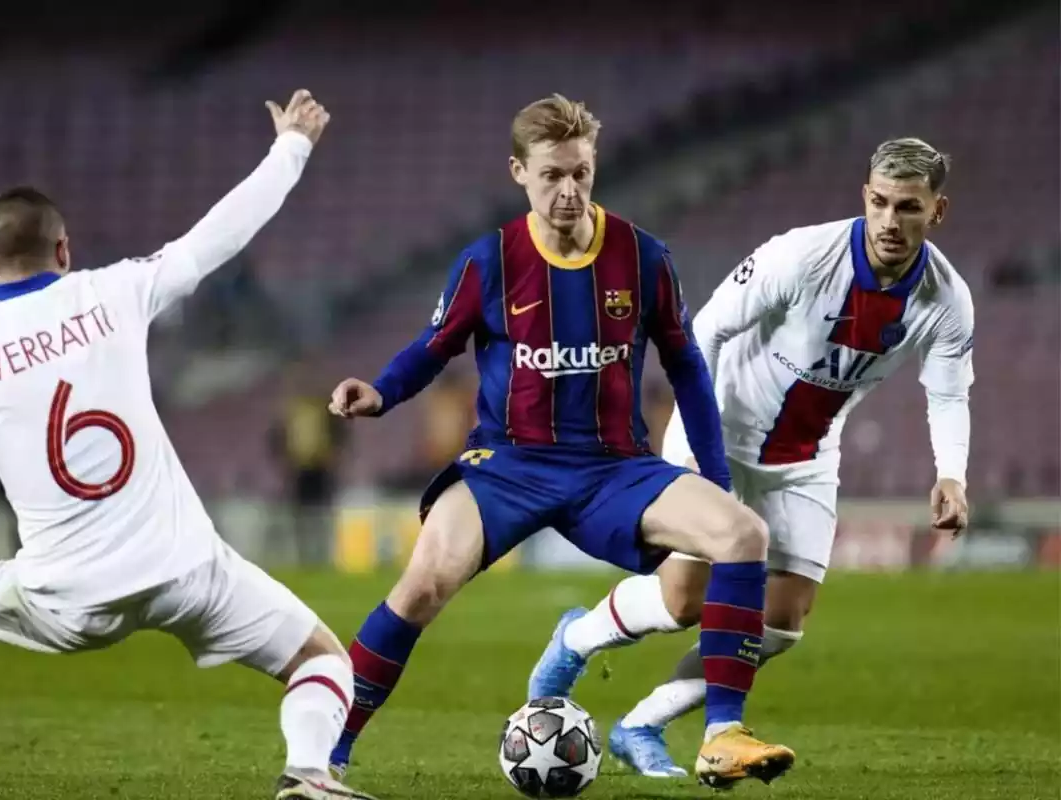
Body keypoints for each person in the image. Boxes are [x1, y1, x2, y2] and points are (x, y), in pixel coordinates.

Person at [0, 90, 378, 800]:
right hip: (186, 570)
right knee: (323, 660)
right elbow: (216, 238)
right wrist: (291, 146)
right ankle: (309, 773)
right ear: (64, 250)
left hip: (65, 596)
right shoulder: (112, 293)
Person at [326, 94, 795, 790]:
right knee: (422, 584)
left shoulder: (642, 257)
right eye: (552, 175)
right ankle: (322, 757)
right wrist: (383, 392)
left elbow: (688, 366)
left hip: (614, 468)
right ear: (520, 171)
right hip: (507, 466)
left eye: (580, 172)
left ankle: (722, 735)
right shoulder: (490, 262)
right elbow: (435, 346)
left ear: (594, 165)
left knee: (742, 534)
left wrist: (714, 477)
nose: (569, 190)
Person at [528, 137, 973, 778]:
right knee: (683, 601)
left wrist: (951, 475)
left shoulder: (946, 300)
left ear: (937, 211)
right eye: (879, 202)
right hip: (721, 433)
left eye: (908, 207)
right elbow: (701, 332)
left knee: (783, 621)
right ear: (864, 198)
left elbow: (949, 391)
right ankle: (576, 637)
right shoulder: (801, 256)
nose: (889, 221)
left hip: (809, 455)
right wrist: (701, 452)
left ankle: (640, 724)